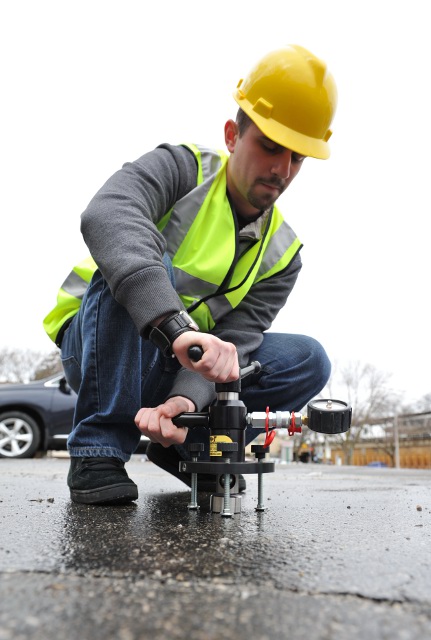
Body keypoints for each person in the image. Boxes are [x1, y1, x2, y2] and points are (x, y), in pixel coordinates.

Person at [43, 44, 337, 505]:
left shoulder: (284, 253)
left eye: (297, 157)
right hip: (98, 351)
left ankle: (187, 441)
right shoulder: (183, 169)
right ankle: (98, 449)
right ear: (232, 136)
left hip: (179, 368)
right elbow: (106, 213)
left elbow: (236, 342)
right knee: (140, 259)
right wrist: (175, 327)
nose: (281, 169)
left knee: (307, 359)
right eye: (270, 145)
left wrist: (186, 401)